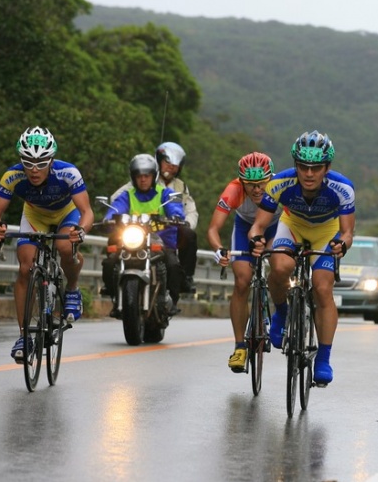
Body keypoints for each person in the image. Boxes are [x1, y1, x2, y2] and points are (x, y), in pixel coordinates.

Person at [249, 130, 355, 386]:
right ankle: (282, 313)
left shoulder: (343, 187)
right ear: (295, 165)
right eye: (303, 167)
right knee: (280, 266)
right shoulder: (279, 183)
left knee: (322, 288)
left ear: (326, 167)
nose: (309, 174)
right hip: (292, 226)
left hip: (326, 232)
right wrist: (256, 240)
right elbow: (258, 226)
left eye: (316, 168)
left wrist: (341, 244)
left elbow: (348, 232)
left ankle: (323, 359)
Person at [0, 126, 93, 363]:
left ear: (51, 159)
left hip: (67, 214)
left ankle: (73, 288)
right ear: (21, 160)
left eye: (42, 162)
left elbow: (87, 212)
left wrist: (81, 231)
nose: (34, 170)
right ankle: (24, 336)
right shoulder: (12, 176)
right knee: (25, 268)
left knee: (66, 248)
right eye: (28, 162)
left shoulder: (68, 173)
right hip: (34, 216)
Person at [207, 152, 281, 372]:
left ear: (270, 179)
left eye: (261, 184)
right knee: (242, 281)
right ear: (241, 182)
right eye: (250, 185)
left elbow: (293, 222)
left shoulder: (280, 187)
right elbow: (213, 229)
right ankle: (240, 346)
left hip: (277, 225)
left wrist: (271, 247)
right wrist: (219, 250)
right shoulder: (234, 190)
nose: (257, 189)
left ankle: (277, 314)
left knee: (278, 264)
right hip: (244, 226)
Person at [101, 154, 186, 317]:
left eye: (146, 175)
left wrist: (175, 216)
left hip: (160, 240)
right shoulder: (127, 195)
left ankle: (172, 301)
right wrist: (109, 219)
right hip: (132, 240)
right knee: (111, 261)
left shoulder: (165, 194)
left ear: (153, 176)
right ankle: (114, 296)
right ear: (133, 177)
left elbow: (175, 208)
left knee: (173, 264)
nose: (143, 179)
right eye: (138, 176)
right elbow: (116, 208)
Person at [110, 141, 199, 294]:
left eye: (175, 164)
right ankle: (112, 285)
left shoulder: (180, 186)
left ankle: (186, 277)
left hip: (166, 232)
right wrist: (114, 217)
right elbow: (117, 199)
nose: (171, 167)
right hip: (137, 231)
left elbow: (191, 210)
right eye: (167, 162)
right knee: (112, 248)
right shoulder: (144, 178)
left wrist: (184, 223)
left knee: (188, 236)